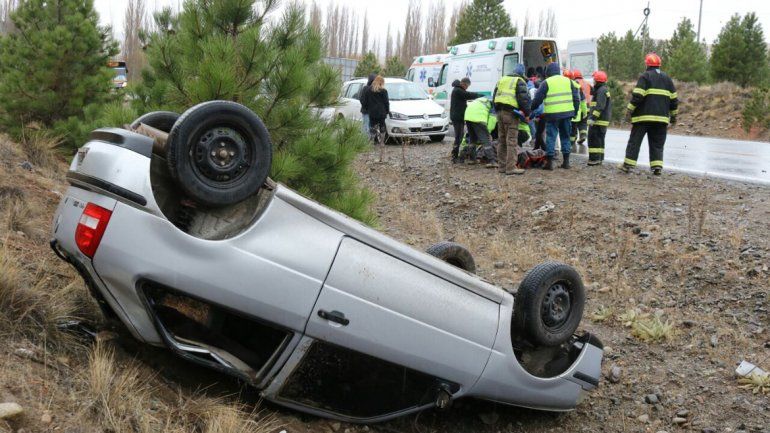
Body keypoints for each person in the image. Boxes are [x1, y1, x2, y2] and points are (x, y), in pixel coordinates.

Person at [621, 53, 679, 176]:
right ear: (659, 65)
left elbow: (637, 96)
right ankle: (657, 167)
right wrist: (673, 116)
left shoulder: (645, 76)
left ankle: (628, 166)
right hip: (661, 119)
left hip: (643, 118)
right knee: (657, 144)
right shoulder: (667, 79)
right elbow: (674, 100)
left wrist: (629, 110)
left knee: (635, 142)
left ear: (647, 64)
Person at [530, 62, 580, 170]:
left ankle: (549, 163)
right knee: (565, 136)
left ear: (548, 72)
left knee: (551, 137)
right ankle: (566, 162)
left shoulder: (546, 82)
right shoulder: (569, 81)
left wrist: (531, 109)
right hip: (567, 114)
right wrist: (574, 112)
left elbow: (537, 99)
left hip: (552, 115)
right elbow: (576, 98)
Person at [492, 63, 531, 175]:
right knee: (512, 141)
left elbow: (494, 97)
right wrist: (527, 114)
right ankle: (511, 168)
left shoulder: (502, 79)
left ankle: (502, 167)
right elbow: (524, 99)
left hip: (499, 112)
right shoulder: (519, 81)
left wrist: (497, 111)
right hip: (511, 114)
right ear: (522, 73)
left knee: (502, 140)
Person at [450, 77, 481, 163]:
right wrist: (478, 95)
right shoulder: (458, 90)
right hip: (457, 117)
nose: (467, 88)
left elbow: (466, 95)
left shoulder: (458, 90)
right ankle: (454, 156)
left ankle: (455, 155)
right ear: (463, 84)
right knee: (458, 137)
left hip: (458, 116)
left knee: (459, 136)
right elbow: (468, 95)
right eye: (467, 86)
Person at [463, 97, 497, 166]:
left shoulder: (483, 100)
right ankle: (492, 161)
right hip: (478, 118)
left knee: (473, 139)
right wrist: (488, 133)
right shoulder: (494, 107)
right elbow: (492, 121)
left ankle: (472, 159)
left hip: (468, 116)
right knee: (486, 140)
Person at [587, 70, 611, 166]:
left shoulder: (601, 91)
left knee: (594, 140)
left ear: (597, 81)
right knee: (599, 140)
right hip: (601, 120)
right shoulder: (602, 89)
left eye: (594, 80)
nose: (593, 81)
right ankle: (599, 158)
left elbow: (600, 106)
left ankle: (594, 159)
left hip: (598, 121)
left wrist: (593, 118)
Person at [361, 75, 390, 145]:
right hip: (382, 112)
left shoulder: (368, 90)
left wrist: (366, 108)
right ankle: (382, 142)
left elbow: (365, 101)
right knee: (382, 126)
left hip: (372, 112)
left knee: (372, 126)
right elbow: (386, 102)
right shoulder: (384, 91)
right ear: (381, 82)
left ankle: (372, 141)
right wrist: (387, 111)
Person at [573, 69, 592, 144]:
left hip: (578, 105)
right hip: (587, 105)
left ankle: (573, 137)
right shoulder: (587, 83)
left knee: (574, 123)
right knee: (583, 122)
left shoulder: (574, 83)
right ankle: (583, 135)